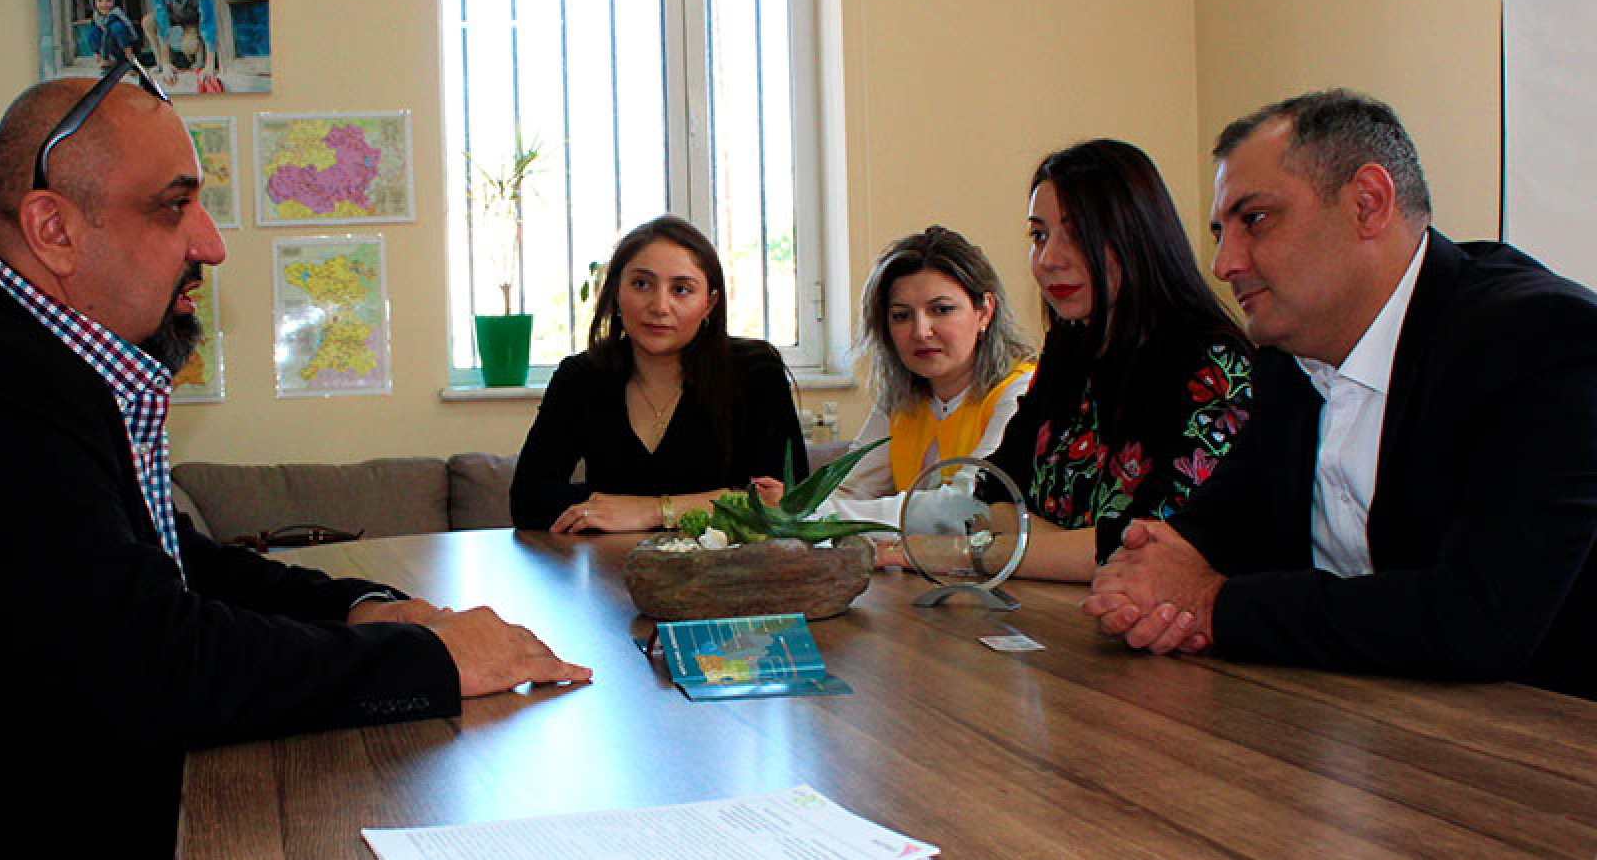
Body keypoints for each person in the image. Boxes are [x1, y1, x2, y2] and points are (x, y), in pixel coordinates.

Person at [0, 71, 590, 856]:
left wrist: (361, 610)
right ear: (53, 229)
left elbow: (164, 565)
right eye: (174, 206)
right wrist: (434, 663)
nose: (211, 245)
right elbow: (152, 664)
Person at [1082, 89, 1597, 699]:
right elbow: (1217, 528)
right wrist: (1150, 572)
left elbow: (1477, 619)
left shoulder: (1542, 339)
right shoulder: (1289, 356)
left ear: (1367, 204)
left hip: (1542, 736)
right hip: (1361, 719)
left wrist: (1214, 604)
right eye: (1220, 231)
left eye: (1255, 220)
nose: (1223, 264)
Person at [960, 139, 1254, 582]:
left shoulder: (1213, 363)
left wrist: (988, 553)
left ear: (1139, 236)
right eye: (1039, 236)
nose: (1049, 260)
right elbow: (991, 492)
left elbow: (1154, 546)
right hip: (1054, 605)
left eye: (1079, 235)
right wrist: (1061, 549)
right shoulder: (1069, 348)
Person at [510, 215, 809, 532]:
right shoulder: (582, 376)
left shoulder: (755, 371)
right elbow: (528, 502)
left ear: (709, 303)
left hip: (727, 561)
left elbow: (788, 501)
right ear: (616, 291)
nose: (659, 306)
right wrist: (721, 500)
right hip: (611, 561)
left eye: (681, 289)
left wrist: (652, 511)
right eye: (642, 284)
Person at [796, 226, 1036, 528]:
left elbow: (967, 506)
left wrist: (823, 516)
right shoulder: (900, 399)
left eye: (941, 310)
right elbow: (850, 490)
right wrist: (791, 512)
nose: (921, 331)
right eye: (901, 316)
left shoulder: (1021, 391)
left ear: (984, 312)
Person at [141, 0, 220, 90]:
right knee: (148, 22)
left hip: (192, 21)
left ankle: (195, 59)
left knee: (189, 46)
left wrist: (209, 65)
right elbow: (162, 25)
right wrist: (166, 63)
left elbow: (208, 25)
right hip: (173, 17)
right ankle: (163, 63)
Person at [86, 0, 147, 70]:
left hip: (126, 47)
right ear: (94, 3)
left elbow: (129, 33)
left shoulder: (116, 14)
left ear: (113, 1)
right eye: (100, 1)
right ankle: (103, 61)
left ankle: (131, 60)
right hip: (111, 50)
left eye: (108, 0)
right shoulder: (96, 17)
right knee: (93, 31)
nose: (104, 4)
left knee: (116, 27)